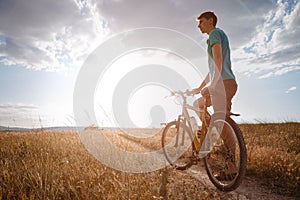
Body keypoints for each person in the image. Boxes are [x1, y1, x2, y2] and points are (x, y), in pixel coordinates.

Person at [193, 11, 238, 180]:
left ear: (210, 21)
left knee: (222, 123)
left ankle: (231, 166)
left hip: (223, 83)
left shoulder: (214, 34)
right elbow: (212, 67)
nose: (199, 26)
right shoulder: (214, 36)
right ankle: (208, 129)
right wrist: (200, 87)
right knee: (199, 104)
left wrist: (214, 84)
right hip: (224, 82)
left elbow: (218, 60)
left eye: (201, 22)